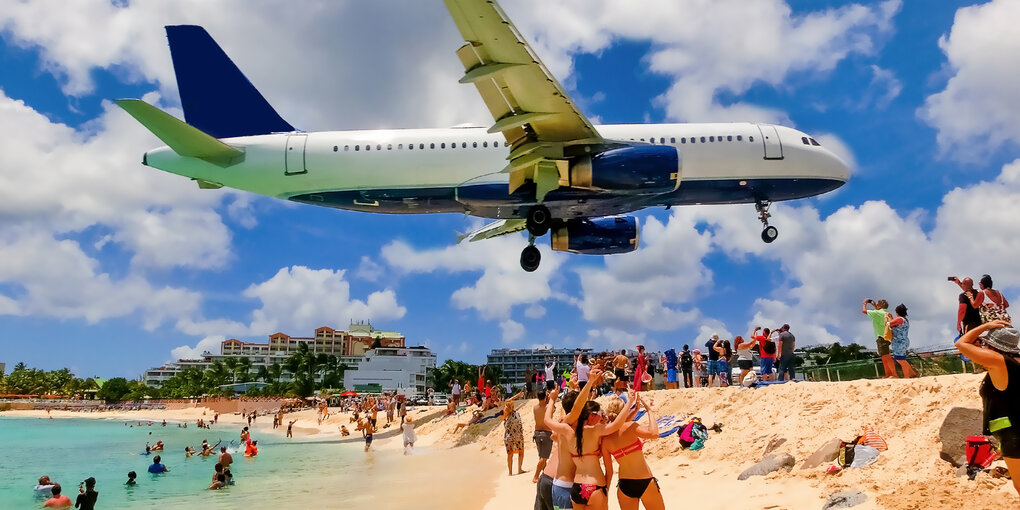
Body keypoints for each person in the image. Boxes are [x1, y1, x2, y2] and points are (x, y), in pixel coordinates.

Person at [955, 319, 1020, 497]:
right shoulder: (1013, 364)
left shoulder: (999, 362)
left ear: (994, 347)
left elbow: (961, 343)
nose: (981, 348)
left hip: (1014, 437)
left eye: (984, 344)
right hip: (1012, 432)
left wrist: (986, 326)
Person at [545, 386, 638, 509]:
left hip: (575, 487)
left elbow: (547, 421)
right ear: (592, 415)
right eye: (600, 413)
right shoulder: (595, 431)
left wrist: (552, 400)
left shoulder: (568, 430)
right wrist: (630, 402)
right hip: (594, 486)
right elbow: (617, 425)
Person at [602, 394, 664, 510]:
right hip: (645, 480)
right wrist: (650, 411)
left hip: (625, 484)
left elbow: (609, 471)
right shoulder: (631, 427)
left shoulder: (605, 439)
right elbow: (654, 434)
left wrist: (606, 491)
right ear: (624, 411)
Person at [863, 298, 897, 378]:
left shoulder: (877, 313)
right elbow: (879, 311)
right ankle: (888, 374)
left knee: (886, 356)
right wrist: (875, 305)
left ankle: (894, 374)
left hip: (881, 336)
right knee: (884, 356)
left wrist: (865, 303)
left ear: (879, 306)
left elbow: (864, 311)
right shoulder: (887, 313)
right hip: (887, 336)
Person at [887, 306, 917, 378]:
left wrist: (886, 317)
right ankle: (912, 373)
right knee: (902, 359)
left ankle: (906, 376)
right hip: (904, 341)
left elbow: (888, 324)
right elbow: (897, 324)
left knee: (900, 360)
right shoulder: (905, 319)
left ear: (897, 312)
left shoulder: (899, 319)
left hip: (899, 342)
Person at [502, 390, 527, 475]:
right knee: (521, 452)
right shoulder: (516, 413)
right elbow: (509, 401)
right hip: (518, 436)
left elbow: (508, 401)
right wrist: (518, 395)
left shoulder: (505, 415)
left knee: (510, 455)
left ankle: (510, 472)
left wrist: (517, 396)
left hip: (508, 437)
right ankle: (519, 469)